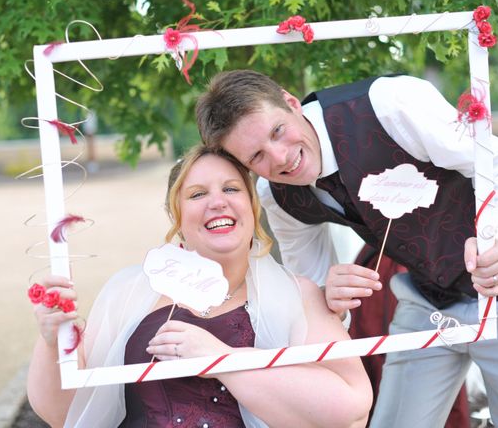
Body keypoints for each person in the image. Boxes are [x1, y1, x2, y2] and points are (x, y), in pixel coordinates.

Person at [196, 70, 498, 428]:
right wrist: (331, 296)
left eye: (277, 131)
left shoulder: (390, 104)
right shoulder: (278, 197)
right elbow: (310, 291)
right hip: (425, 297)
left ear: (290, 102)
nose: (280, 158)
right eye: (257, 157)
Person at [27, 145, 372, 428]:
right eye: (197, 194)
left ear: (251, 206)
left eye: (231, 189)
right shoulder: (127, 291)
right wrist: (53, 343)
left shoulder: (299, 296)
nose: (217, 202)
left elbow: (352, 410)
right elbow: (62, 415)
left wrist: (222, 359)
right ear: (176, 214)